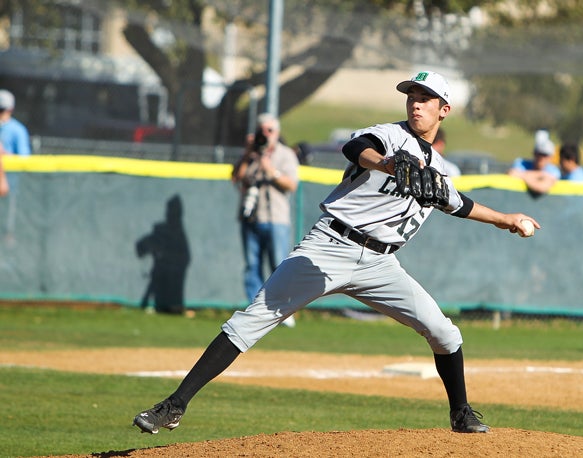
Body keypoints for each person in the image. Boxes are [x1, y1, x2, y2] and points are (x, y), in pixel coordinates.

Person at [133, 70, 540, 435]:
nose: (416, 103)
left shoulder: (440, 170)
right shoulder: (390, 136)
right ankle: (174, 405)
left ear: (443, 109)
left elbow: (460, 203)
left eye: (426, 98)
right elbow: (356, 147)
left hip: (381, 264)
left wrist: (507, 218)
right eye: (412, 95)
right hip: (329, 246)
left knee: (445, 333)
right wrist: (386, 164)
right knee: (249, 323)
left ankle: (461, 413)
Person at [231, 113, 299, 327]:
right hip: (251, 217)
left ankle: (282, 311)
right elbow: (236, 177)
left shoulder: (285, 154)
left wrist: (270, 169)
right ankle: (256, 311)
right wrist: (248, 153)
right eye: (262, 130)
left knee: (279, 265)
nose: (265, 134)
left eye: (269, 130)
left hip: (276, 218)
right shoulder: (250, 155)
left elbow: (291, 184)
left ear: (277, 133)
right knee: (252, 266)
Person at [136, 195, 191, 315]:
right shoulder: (161, 229)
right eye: (170, 210)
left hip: (173, 275)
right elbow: (141, 246)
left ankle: (172, 307)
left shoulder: (177, 232)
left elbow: (185, 257)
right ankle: (163, 306)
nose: (170, 213)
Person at [0, 89, 31, 239]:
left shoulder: (17, 130)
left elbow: (24, 160)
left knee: (8, 231)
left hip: (9, 189)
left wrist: (4, 154)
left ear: (10, 110)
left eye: (2, 110)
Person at [507, 129, 560, 196]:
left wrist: (523, 176)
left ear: (550, 157)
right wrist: (541, 175)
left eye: (545, 155)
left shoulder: (554, 170)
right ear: (534, 153)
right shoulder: (521, 163)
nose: (541, 158)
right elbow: (511, 173)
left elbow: (541, 187)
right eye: (539, 154)